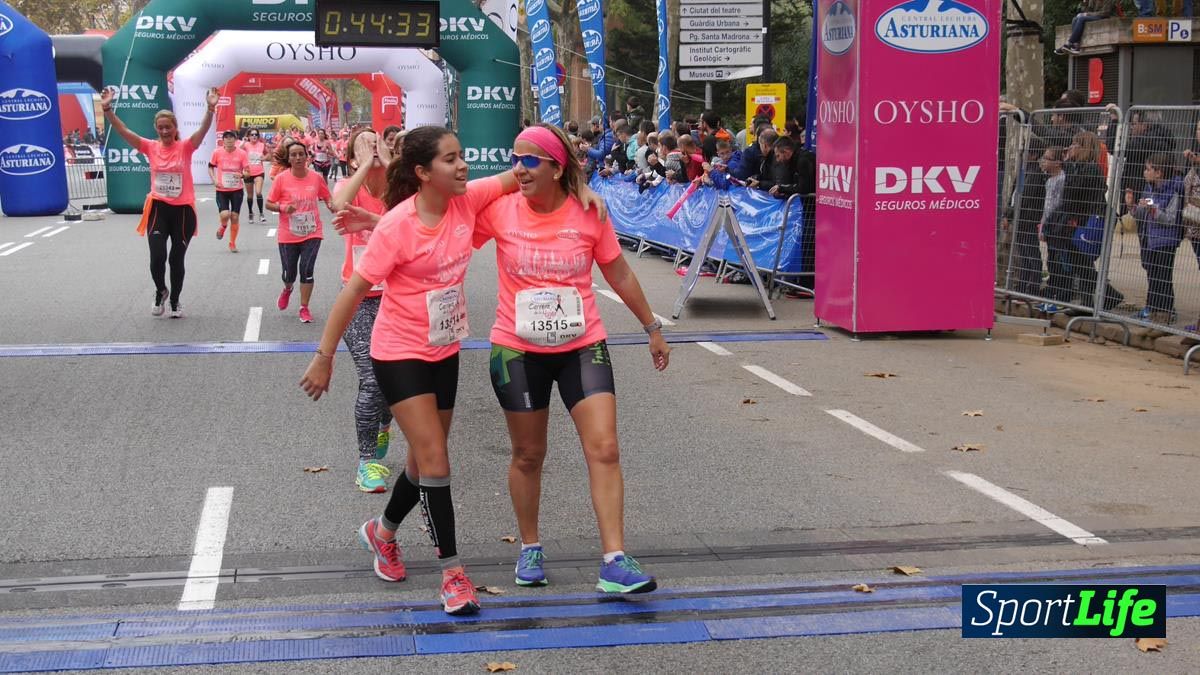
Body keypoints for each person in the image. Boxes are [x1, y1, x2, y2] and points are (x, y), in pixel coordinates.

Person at [304, 126, 607, 616]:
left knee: (423, 463)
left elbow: (535, 168)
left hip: (443, 349)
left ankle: (381, 533)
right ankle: (453, 575)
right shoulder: (398, 226)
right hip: (398, 352)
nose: (464, 166)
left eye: (463, 155)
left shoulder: (469, 200)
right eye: (451, 159)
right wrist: (324, 356)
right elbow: (353, 292)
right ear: (424, 173)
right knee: (436, 457)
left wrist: (582, 187)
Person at [473, 124, 670, 593]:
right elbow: (445, 233)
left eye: (529, 160)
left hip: (582, 345)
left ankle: (615, 561)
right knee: (528, 454)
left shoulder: (588, 212)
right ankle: (530, 547)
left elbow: (618, 271)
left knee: (605, 447)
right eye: (514, 158)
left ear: (557, 168)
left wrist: (652, 327)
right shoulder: (500, 210)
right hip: (517, 349)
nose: (517, 169)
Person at [100, 85, 218, 318]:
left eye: (168, 127)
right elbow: (123, 130)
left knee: (176, 259)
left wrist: (210, 108)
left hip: (183, 211)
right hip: (158, 209)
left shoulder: (185, 147)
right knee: (157, 257)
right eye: (161, 127)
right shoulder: (150, 147)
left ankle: (175, 301)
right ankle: (161, 290)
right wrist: (107, 109)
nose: (164, 131)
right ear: (156, 128)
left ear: (175, 128)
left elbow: (203, 131)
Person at [329, 128, 397, 493]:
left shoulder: (399, 188)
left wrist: (385, 158)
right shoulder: (346, 185)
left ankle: (385, 420)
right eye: (363, 143)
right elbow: (340, 206)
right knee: (371, 377)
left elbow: (417, 214)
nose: (372, 146)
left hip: (399, 297)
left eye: (378, 140)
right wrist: (362, 165)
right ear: (352, 156)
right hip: (358, 298)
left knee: (393, 379)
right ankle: (366, 462)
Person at [266, 141, 334, 324]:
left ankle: (304, 307)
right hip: (288, 233)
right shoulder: (281, 179)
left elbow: (327, 197)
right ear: (289, 158)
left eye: (301, 154)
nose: (297, 158)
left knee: (307, 269)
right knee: (290, 273)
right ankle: (288, 289)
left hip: (312, 232)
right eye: (293, 155)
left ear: (307, 157)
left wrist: (333, 207)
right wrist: (283, 207)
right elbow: (268, 203)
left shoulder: (316, 178)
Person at [1127, 153, 1184, 324]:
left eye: (1148, 169)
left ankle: (1166, 311)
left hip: (1166, 240)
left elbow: (1170, 218)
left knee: (1163, 276)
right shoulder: (1149, 188)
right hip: (1151, 238)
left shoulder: (1173, 191)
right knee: (1153, 274)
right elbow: (1141, 214)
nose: (1145, 172)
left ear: (1159, 172)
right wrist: (1132, 206)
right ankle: (1153, 309)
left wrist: (1152, 209)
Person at [209, 131, 251, 253]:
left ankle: (232, 243)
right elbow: (210, 167)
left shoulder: (242, 154)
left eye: (231, 138)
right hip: (221, 189)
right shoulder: (217, 152)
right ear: (223, 140)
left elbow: (248, 172)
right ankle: (223, 226)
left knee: (234, 216)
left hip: (236, 189)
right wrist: (214, 179)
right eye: (226, 138)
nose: (229, 140)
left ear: (235, 139)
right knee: (225, 215)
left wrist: (242, 175)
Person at [240, 129, 268, 223]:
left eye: (256, 134)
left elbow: (269, 154)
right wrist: (243, 141)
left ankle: (261, 214)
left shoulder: (261, 145)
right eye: (252, 135)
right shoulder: (246, 145)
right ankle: (250, 213)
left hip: (259, 172)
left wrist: (264, 158)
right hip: (248, 173)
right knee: (250, 195)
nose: (254, 136)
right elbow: (237, 151)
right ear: (249, 136)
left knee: (258, 192)